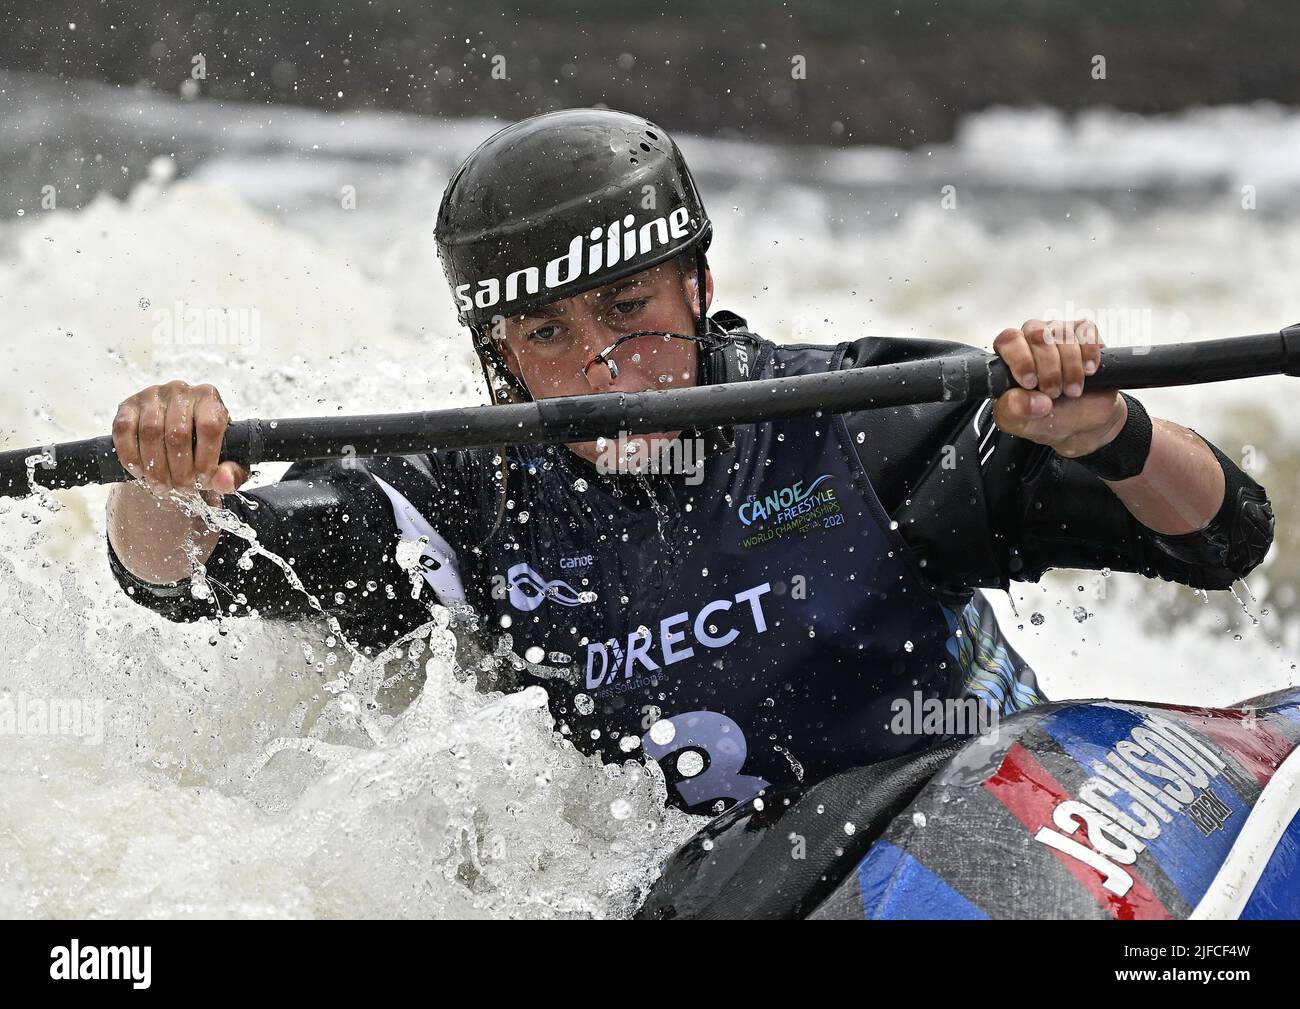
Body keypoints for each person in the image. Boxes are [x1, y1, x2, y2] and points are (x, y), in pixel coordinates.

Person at [106, 108, 1273, 815]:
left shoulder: (859, 419)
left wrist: (1107, 433)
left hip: (979, 823)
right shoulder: (465, 495)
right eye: (547, 335)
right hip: (736, 886)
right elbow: (183, 573)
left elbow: (1226, 536)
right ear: (498, 359)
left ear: (700, 285)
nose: (602, 366)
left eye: (630, 310)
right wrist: (159, 474)